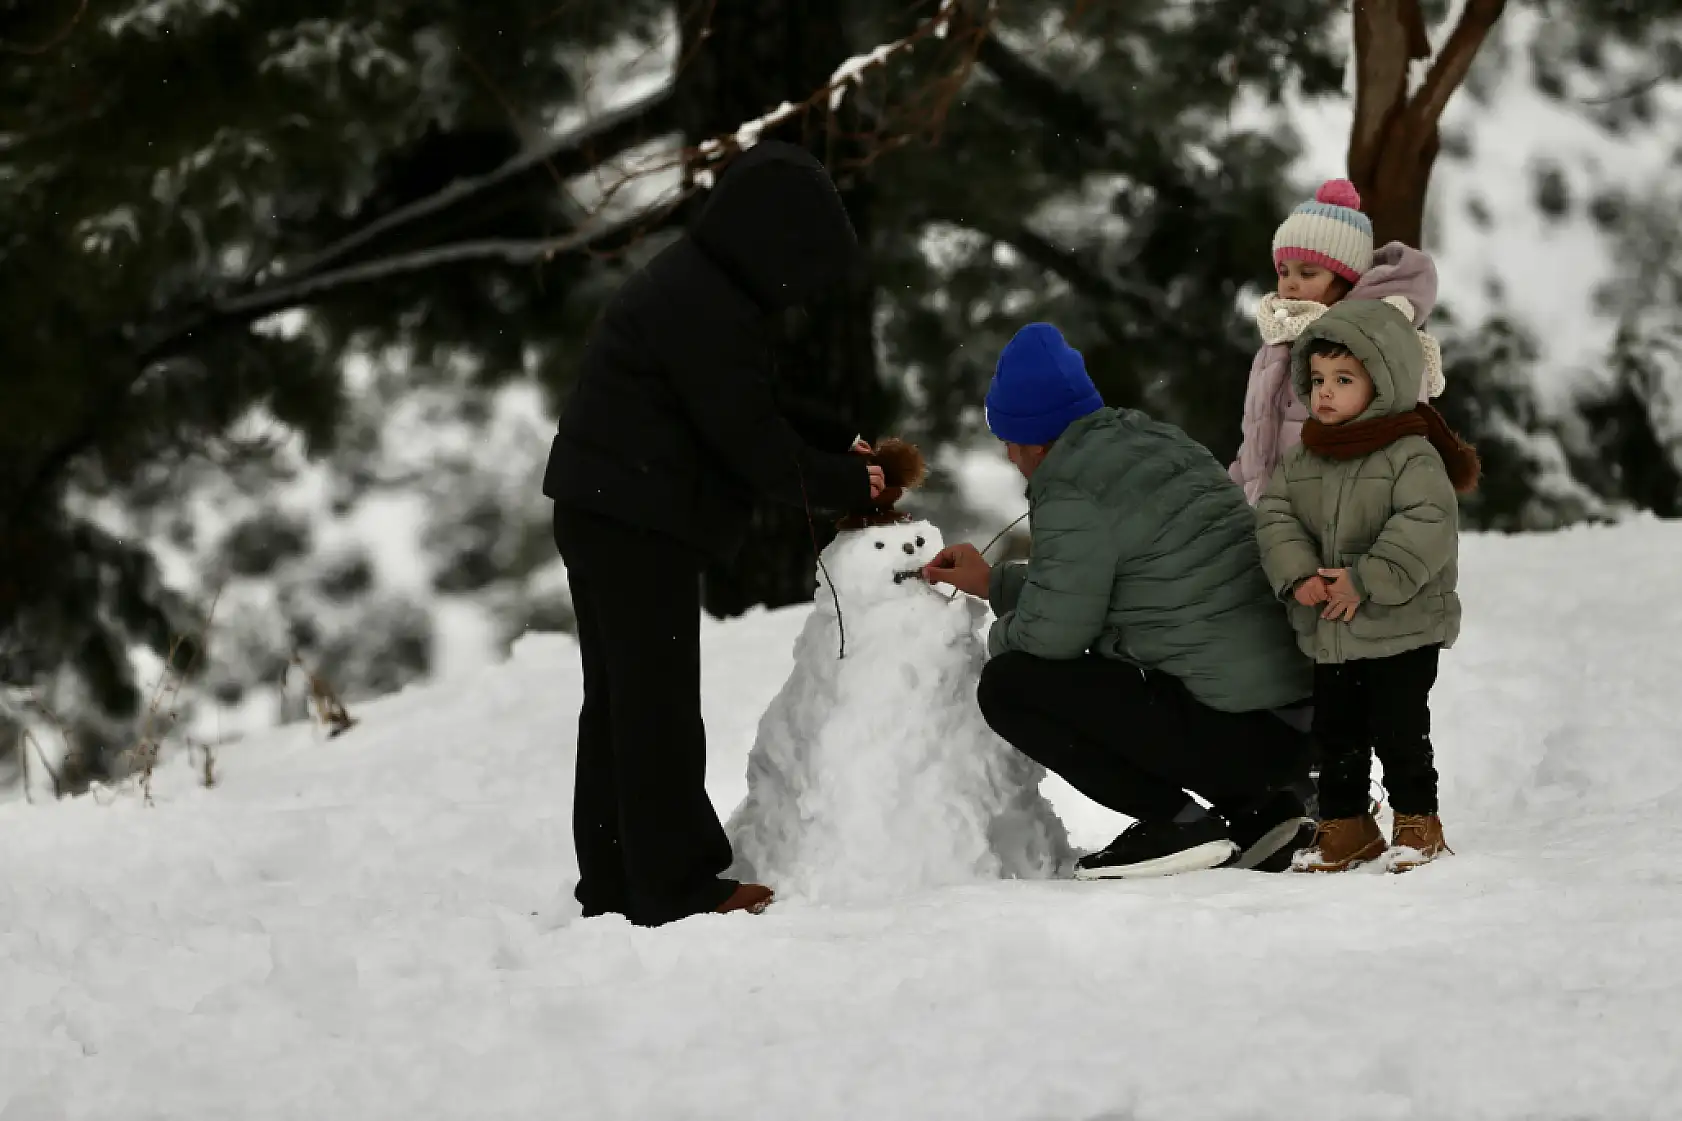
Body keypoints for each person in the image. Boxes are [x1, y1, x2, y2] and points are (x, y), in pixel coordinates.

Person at [540, 141, 885, 927]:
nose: (805, 288)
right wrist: (847, 483)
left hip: (600, 507)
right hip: (634, 523)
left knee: (620, 706)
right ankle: (678, 887)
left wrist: (835, 444)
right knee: (656, 709)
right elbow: (752, 444)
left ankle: (615, 881)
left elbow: (748, 405)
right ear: (774, 243)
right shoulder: (706, 306)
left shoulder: (697, 285)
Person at [923, 322, 1317, 880]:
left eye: (1008, 440)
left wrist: (997, 634)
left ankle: (1178, 824)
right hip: (1295, 721)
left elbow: (1052, 636)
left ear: (1035, 440)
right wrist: (993, 584)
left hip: (1241, 732)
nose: (1009, 456)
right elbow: (1107, 587)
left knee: (1011, 685)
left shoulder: (1071, 487)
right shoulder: (1154, 443)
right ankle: (1265, 810)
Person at [1255, 299, 1479, 873]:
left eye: (1344, 379)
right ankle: (1346, 825)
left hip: (1401, 626)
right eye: (1318, 380)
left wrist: (1366, 579)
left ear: (1384, 381)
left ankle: (1417, 822)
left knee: (1398, 728)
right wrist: (1300, 574)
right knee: (1337, 734)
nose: (1325, 393)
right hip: (1334, 631)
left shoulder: (1412, 455)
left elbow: (1425, 526)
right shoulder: (1305, 457)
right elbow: (1277, 516)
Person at [1227, 179, 1448, 505]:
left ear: (1346, 280)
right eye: (1284, 271)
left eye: (1307, 273)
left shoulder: (1377, 341)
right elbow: (1255, 440)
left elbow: (1398, 444)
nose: (1290, 284)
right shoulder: (1277, 340)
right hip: (1268, 515)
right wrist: (1237, 496)